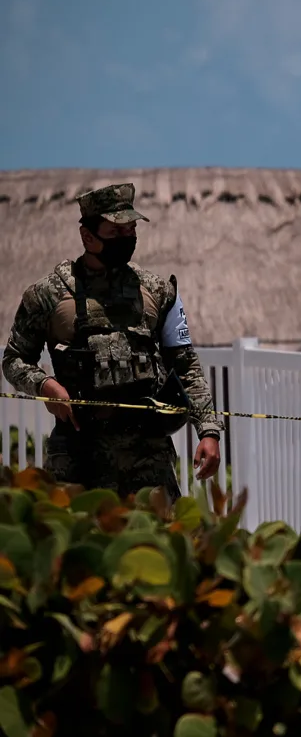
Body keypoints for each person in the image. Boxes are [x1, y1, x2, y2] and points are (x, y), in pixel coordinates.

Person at [1, 183, 224, 501]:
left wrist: (208, 430)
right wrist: (45, 386)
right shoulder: (47, 295)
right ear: (88, 236)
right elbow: (13, 360)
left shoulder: (158, 291)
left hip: (148, 454)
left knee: (157, 544)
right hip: (78, 455)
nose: (126, 238)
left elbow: (185, 364)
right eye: (116, 231)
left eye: (131, 229)